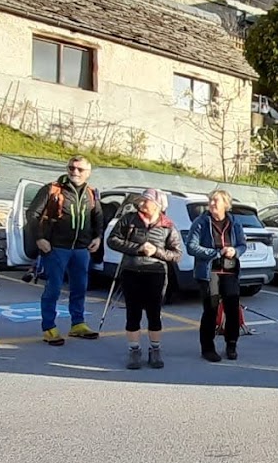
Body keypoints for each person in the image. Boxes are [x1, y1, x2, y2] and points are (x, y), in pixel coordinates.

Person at [28, 155, 104, 346]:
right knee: (53, 289)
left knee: (80, 288)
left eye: (79, 169)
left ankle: (78, 324)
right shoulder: (52, 189)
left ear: (88, 173)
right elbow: (32, 214)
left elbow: (98, 216)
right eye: (71, 168)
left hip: (81, 249)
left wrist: (97, 237)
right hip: (56, 248)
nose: (74, 172)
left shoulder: (91, 193)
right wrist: (40, 238)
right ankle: (49, 327)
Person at [107, 189, 182, 369]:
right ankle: (134, 350)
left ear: (157, 205)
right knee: (133, 313)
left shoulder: (168, 226)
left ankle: (155, 350)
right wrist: (138, 248)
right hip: (131, 271)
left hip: (155, 273)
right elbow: (112, 240)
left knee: (154, 314)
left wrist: (156, 251)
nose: (141, 202)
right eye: (141, 199)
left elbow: (176, 254)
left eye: (146, 200)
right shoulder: (129, 219)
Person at [187, 189, 247, 362]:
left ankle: (231, 344)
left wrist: (234, 251)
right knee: (211, 311)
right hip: (209, 273)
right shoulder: (201, 222)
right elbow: (191, 246)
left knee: (232, 309)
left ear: (226, 205)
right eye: (211, 200)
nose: (212, 203)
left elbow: (242, 245)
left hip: (230, 271)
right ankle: (207, 348)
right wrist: (215, 253)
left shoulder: (234, 222)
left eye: (216, 200)